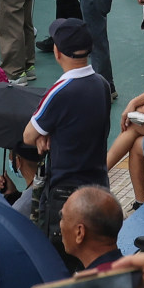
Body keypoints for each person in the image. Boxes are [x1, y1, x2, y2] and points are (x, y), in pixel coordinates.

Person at [20, 18, 113, 257]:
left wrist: (44, 134)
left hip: (65, 194)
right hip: (99, 186)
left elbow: (29, 135)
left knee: (60, 260)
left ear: (57, 51)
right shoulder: (101, 84)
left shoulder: (60, 91)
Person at [59, 185, 126, 272]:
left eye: (63, 218)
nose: (60, 224)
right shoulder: (136, 274)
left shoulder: (91, 284)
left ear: (79, 232)